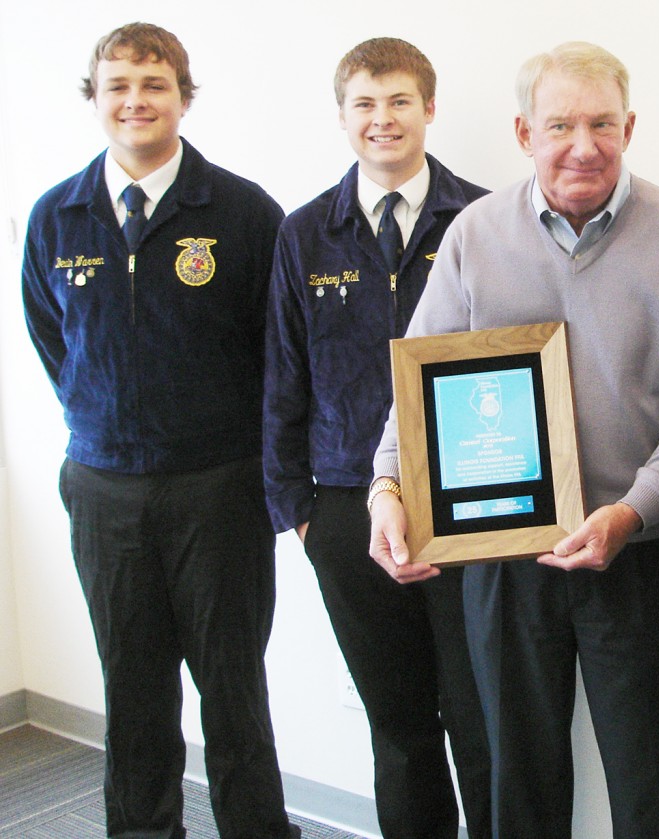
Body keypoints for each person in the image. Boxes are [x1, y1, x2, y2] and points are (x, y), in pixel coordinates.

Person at [368, 41, 659, 839]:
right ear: (522, 132)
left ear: (630, 127)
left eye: (602, 122)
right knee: (518, 783)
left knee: (655, 785)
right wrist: (387, 488)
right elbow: (422, 386)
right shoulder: (474, 234)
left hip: (643, 555)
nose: (583, 143)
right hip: (506, 560)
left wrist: (633, 510)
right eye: (560, 123)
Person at [21, 22, 298, 839]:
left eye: (154, 84)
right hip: (104, 489)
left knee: (233, 687)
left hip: (219, 488)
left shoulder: (244, 213)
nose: (135, 101)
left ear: (183, 96)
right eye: (118, 86)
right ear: (96, 98)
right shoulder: (55, 218)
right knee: (133, 689)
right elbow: (53, 342)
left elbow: (277, 352)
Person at [262, 37, 491, 839]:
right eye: (364, 103)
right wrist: (298, 509)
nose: (382, 119)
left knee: (483, 717)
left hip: (471, 504)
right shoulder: (304, 235)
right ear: (342, 117)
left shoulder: (486, 217)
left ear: (430, 108)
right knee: (398, 724)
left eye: (399, 100)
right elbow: (282, 377)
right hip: (345, 511)